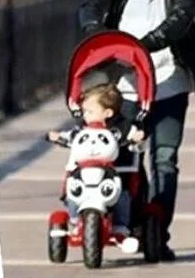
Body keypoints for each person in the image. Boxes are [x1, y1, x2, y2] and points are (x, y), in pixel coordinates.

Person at [78, 0, 195, 261]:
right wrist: (99, 38)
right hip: (124, 86)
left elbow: (180, 20)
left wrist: (139, 47)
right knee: (122, 157)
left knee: (165, 159)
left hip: (169, 80)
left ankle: (158, 233)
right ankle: (132, 221)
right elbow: (90, 7)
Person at [46, 82, 144, 237]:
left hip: (112, 171)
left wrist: (137, 136)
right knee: (73, 192)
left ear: (107, 113)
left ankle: (120, 225)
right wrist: (59, 137)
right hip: (85, 171)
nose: (85, 115)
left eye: (90, 112)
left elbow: (132, 135)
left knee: (122, 196)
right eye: (84, 111)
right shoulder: (84, 128)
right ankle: (75, 219)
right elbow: (73, 136)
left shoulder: (121, 128)